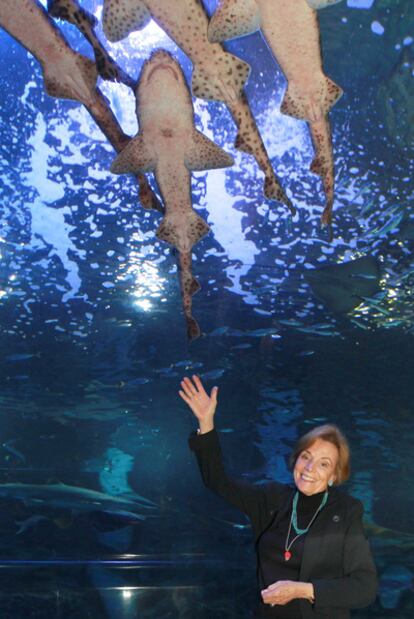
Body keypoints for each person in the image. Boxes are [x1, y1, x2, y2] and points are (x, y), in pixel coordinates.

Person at [179, 375, 377, 619]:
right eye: (306, 457)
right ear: (295, 459)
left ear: (334, 475)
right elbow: (217, 481)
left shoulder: (346, 511)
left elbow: (365, 587)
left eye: (323, 464)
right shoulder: (272, 499)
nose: (309, 468)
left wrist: (304, 590)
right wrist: (206, 423)